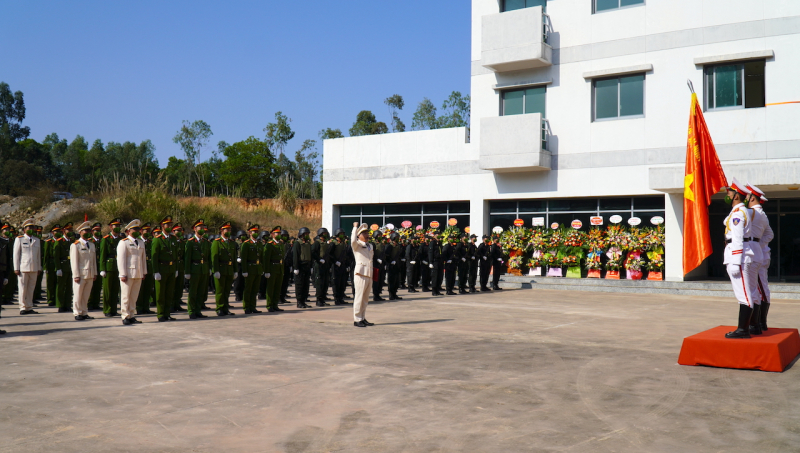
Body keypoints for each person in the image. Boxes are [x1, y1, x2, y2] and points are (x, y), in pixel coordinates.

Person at [723, 179, 759, 339]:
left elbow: (737, 239)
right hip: (742, 254)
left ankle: (743, 330)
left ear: (736, 196)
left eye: (730, 192)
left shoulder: (738, 214)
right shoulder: (740, 211)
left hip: (739, 256)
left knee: (743, 294)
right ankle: (746, 327)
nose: (727, 194)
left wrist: (736, 262)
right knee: (748, 292)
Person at [746, 183, 774, 333]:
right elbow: (770, 234)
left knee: (761, 289)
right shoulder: (759, 214)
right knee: (760, 288)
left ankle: (760, 323)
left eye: (747, 195)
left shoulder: (756, 214)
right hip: (761, 254)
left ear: (752, 197)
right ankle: (760, 322)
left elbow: (769, 235)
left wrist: (756, 245)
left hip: (759, 256)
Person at [118, 220, 147, 325]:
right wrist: (122, 274)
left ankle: (131, 315)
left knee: (134, 296)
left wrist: (144, 272)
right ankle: (125, 315)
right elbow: (121, 259)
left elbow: (143, 259)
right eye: (134, 229)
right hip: (128, 273)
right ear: (128, 231)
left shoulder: (141, 242)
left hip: (138, 273)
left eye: (138, 229)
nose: (137, 231)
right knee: (126, 296)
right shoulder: (124, 242)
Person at [152, 215, 179, 322]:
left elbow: (176, 255)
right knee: (160, 294)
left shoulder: (173, 239)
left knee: (169, 293)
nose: (169, 226)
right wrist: (156, 271)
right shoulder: (157, 240)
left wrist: (176, 268)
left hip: (171, 269)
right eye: (168, 224)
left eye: (171, 225)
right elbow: (154, 257)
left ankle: (167, 313)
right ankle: (161, 314)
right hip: (161, 269)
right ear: (162, 226)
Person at [13, 218, 42, 315]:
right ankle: (22, 307)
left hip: (33, 267)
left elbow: (38, 256)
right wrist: (16, 268)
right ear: (24, 229)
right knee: (22, 288)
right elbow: (16, 255)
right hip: (23, 268)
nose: (31, 229)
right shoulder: (19, 239)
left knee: (31, 288)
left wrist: (39, 268)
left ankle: (29, 306)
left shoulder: (36, 240)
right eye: (28, 227)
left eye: (32, 227)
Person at [70, 221, 98, 321]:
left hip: (89, 274)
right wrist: (76, 275)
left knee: (86, 295)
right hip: (80, 274)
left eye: (89, 230)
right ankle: (77, 312)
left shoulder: (92, 244)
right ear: (80, 232)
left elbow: (93, 261)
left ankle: (84, 312)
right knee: (78, 294)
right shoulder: (76, 245)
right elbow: (74, 262)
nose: (87, 232)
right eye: (85, 230)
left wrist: (95, 273)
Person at [184, 220, 210, 319]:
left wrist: (209, 269)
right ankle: (191, 311)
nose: (202, 229)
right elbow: (187, 258)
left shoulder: (206, 242)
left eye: (203, 228)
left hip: (203, 269)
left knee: (201, 292)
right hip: (194, 269)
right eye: (200, 227)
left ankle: (198, 310)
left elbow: (208, 257)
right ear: (195, 229)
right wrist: (187, 272)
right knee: (193, 291)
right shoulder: (190, 242)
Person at [351, 222, 375, 327]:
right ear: (358, 235)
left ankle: (363, 317)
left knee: (365, 299)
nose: (366, 234)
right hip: (360, 274)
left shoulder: (370, 246)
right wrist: (355, 227)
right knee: (359, 297)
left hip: (369, 273)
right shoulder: (357, 245)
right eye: (363, 233)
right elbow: (352, 240)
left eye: (367, 232)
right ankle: (357, 319)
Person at [211, 221, 238, 316]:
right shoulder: (216, 242)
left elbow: (234, 258)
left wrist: (235, 270)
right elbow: (214, 257)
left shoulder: (231, 243)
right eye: (227, 229)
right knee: (220, 291)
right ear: (221, 230)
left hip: (229, 269)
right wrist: (216, 270)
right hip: (221, 269)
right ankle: (219, 308)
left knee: (227, 291)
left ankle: (225, 308)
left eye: (230, 229)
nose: (229, 231)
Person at [99, 218, 123, 317]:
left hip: (118, 267)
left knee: (115, 290)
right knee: (108, 290)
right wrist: (102, 269)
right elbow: (102, 255)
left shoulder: (121, 239)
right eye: (115, 226)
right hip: (109, 267)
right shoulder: (106, 239)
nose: (117, 228)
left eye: (118, 226)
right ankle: (107, 309)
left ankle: (113, 309)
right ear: (110, 227)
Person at [239, 225, 263, 314]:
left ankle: (253, 307)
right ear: (250, 233)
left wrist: (262, 268)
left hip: (257, 269)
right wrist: (244, 270)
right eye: (254, 232)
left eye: (257, 232)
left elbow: (261, 257)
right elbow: (244, 259)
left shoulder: (259, 243)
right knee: (248, 289)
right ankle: (246, 307)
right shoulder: (246, 244)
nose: (256, 233)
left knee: (255, 289)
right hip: (249, 269)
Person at [262, 226, 285, 313]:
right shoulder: (269, 244)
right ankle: (269, 305)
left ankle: (275, 305)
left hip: (279, 268)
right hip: (272, 268)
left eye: (279, 233)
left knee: (277, 288)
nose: (279, 235)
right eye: (277, 233)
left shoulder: (281, 244)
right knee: (270, 288)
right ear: (272, 234)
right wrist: (267, 271)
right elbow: (266, 259)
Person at [52, 222, 74, 313]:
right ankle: (60, 305)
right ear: (63, 231)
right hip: (62, 265)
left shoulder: (72, 241)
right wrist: (58, 268)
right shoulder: (59, 241)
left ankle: (68, 305)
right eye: (68, 230)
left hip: (70, 266)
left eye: (71, 230)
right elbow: (56, 256)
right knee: (61, 287)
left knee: (69, 287)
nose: (70, 231)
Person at [292, 227, 313, 309]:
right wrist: (296, 267)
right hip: (300, 266)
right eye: (306, 234)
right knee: (300, 285)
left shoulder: (308, 244)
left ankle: (304, 301)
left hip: (307, 266)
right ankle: (299, 302)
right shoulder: (297, 243)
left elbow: (310, 256)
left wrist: (311, 266)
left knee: (306, 285)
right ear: (302, 235)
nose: (307, 235)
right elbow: (295, 256)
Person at [330, 228, 351, 305]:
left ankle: (341, 298)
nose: (342, 235)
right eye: (341, 234)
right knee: (336, 283)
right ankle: (336, 299)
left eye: (343, 234)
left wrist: (347, 265)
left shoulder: (343, 244)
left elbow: (347, 255)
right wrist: (335, 261)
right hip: (336, 266)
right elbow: (330, 254)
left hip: (343, 265)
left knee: (342, 283)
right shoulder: (333, 244)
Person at [311, 228, 332, 306]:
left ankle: (323, 299)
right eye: (324, 233)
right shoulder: (317, 243)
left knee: (325, 283)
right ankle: (319, 300)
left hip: (326, 265)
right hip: (319, 265)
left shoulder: (325, 243)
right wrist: (319, 259)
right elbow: (312, 252)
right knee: (319, 283)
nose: (326, 235)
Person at [87, 223, 104, 311]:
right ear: (92, 231)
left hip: (99, 265)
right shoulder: (90, 241)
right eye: (96, 230)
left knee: (98, 286)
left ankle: (96, 303)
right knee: (91, 285)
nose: (98, 232)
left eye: (99, 230)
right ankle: (90, 303)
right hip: (92, 265)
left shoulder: (102, 240)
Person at [172, 223, 187, 313]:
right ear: (173, 231)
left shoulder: (182, 242)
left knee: (179, 287)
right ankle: (171, 305)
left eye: (181, 230)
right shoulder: (171, 241)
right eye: (177, 230)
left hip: (180, 266)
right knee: (172, 287)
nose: (179, 232)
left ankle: (177, 304)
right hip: (173, 265)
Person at [43, 225, 59, 307]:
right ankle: (50, 299)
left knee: (57, 282)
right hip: (50, 263)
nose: (58, 233)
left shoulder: (60, 241)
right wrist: (45, 267)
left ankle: (57, 299)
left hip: (59, 264)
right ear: (52, 233)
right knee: (50, 283)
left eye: (59, 231)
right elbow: (45, 255)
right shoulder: (48, 242)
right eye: (56, 231)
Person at [386, 232, 403, 300]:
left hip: (397, 265)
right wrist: (390, 261)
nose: (397, 239)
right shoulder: (389, 246)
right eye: (396, 238)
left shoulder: (398, 246)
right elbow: (387, 255)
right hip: (391, 266)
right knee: (391, 281)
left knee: (396, 280)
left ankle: (395, 293)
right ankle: (391, 294)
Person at [372, 231, 387, 301]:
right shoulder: (373, 244)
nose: (380, 237)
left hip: (381, 264)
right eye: (378, 235)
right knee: (376, 280)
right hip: (375, 264)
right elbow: (372, 253)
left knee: (381, 280)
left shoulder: (382, 244)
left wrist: (384, 263)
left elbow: (384, 254)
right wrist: (376, 259)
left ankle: (378, 294)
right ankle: (375, 295)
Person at [280, 230, 293, 304]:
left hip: (287, 265)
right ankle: (279, 297)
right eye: (283, 235)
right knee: (280, 283)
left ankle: (283, 297)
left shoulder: (288, 245)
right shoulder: (279, 244)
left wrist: (291, 265)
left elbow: (290, 256)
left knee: (285, 282)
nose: (285, 237)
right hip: (281, 265)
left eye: (286, 235)